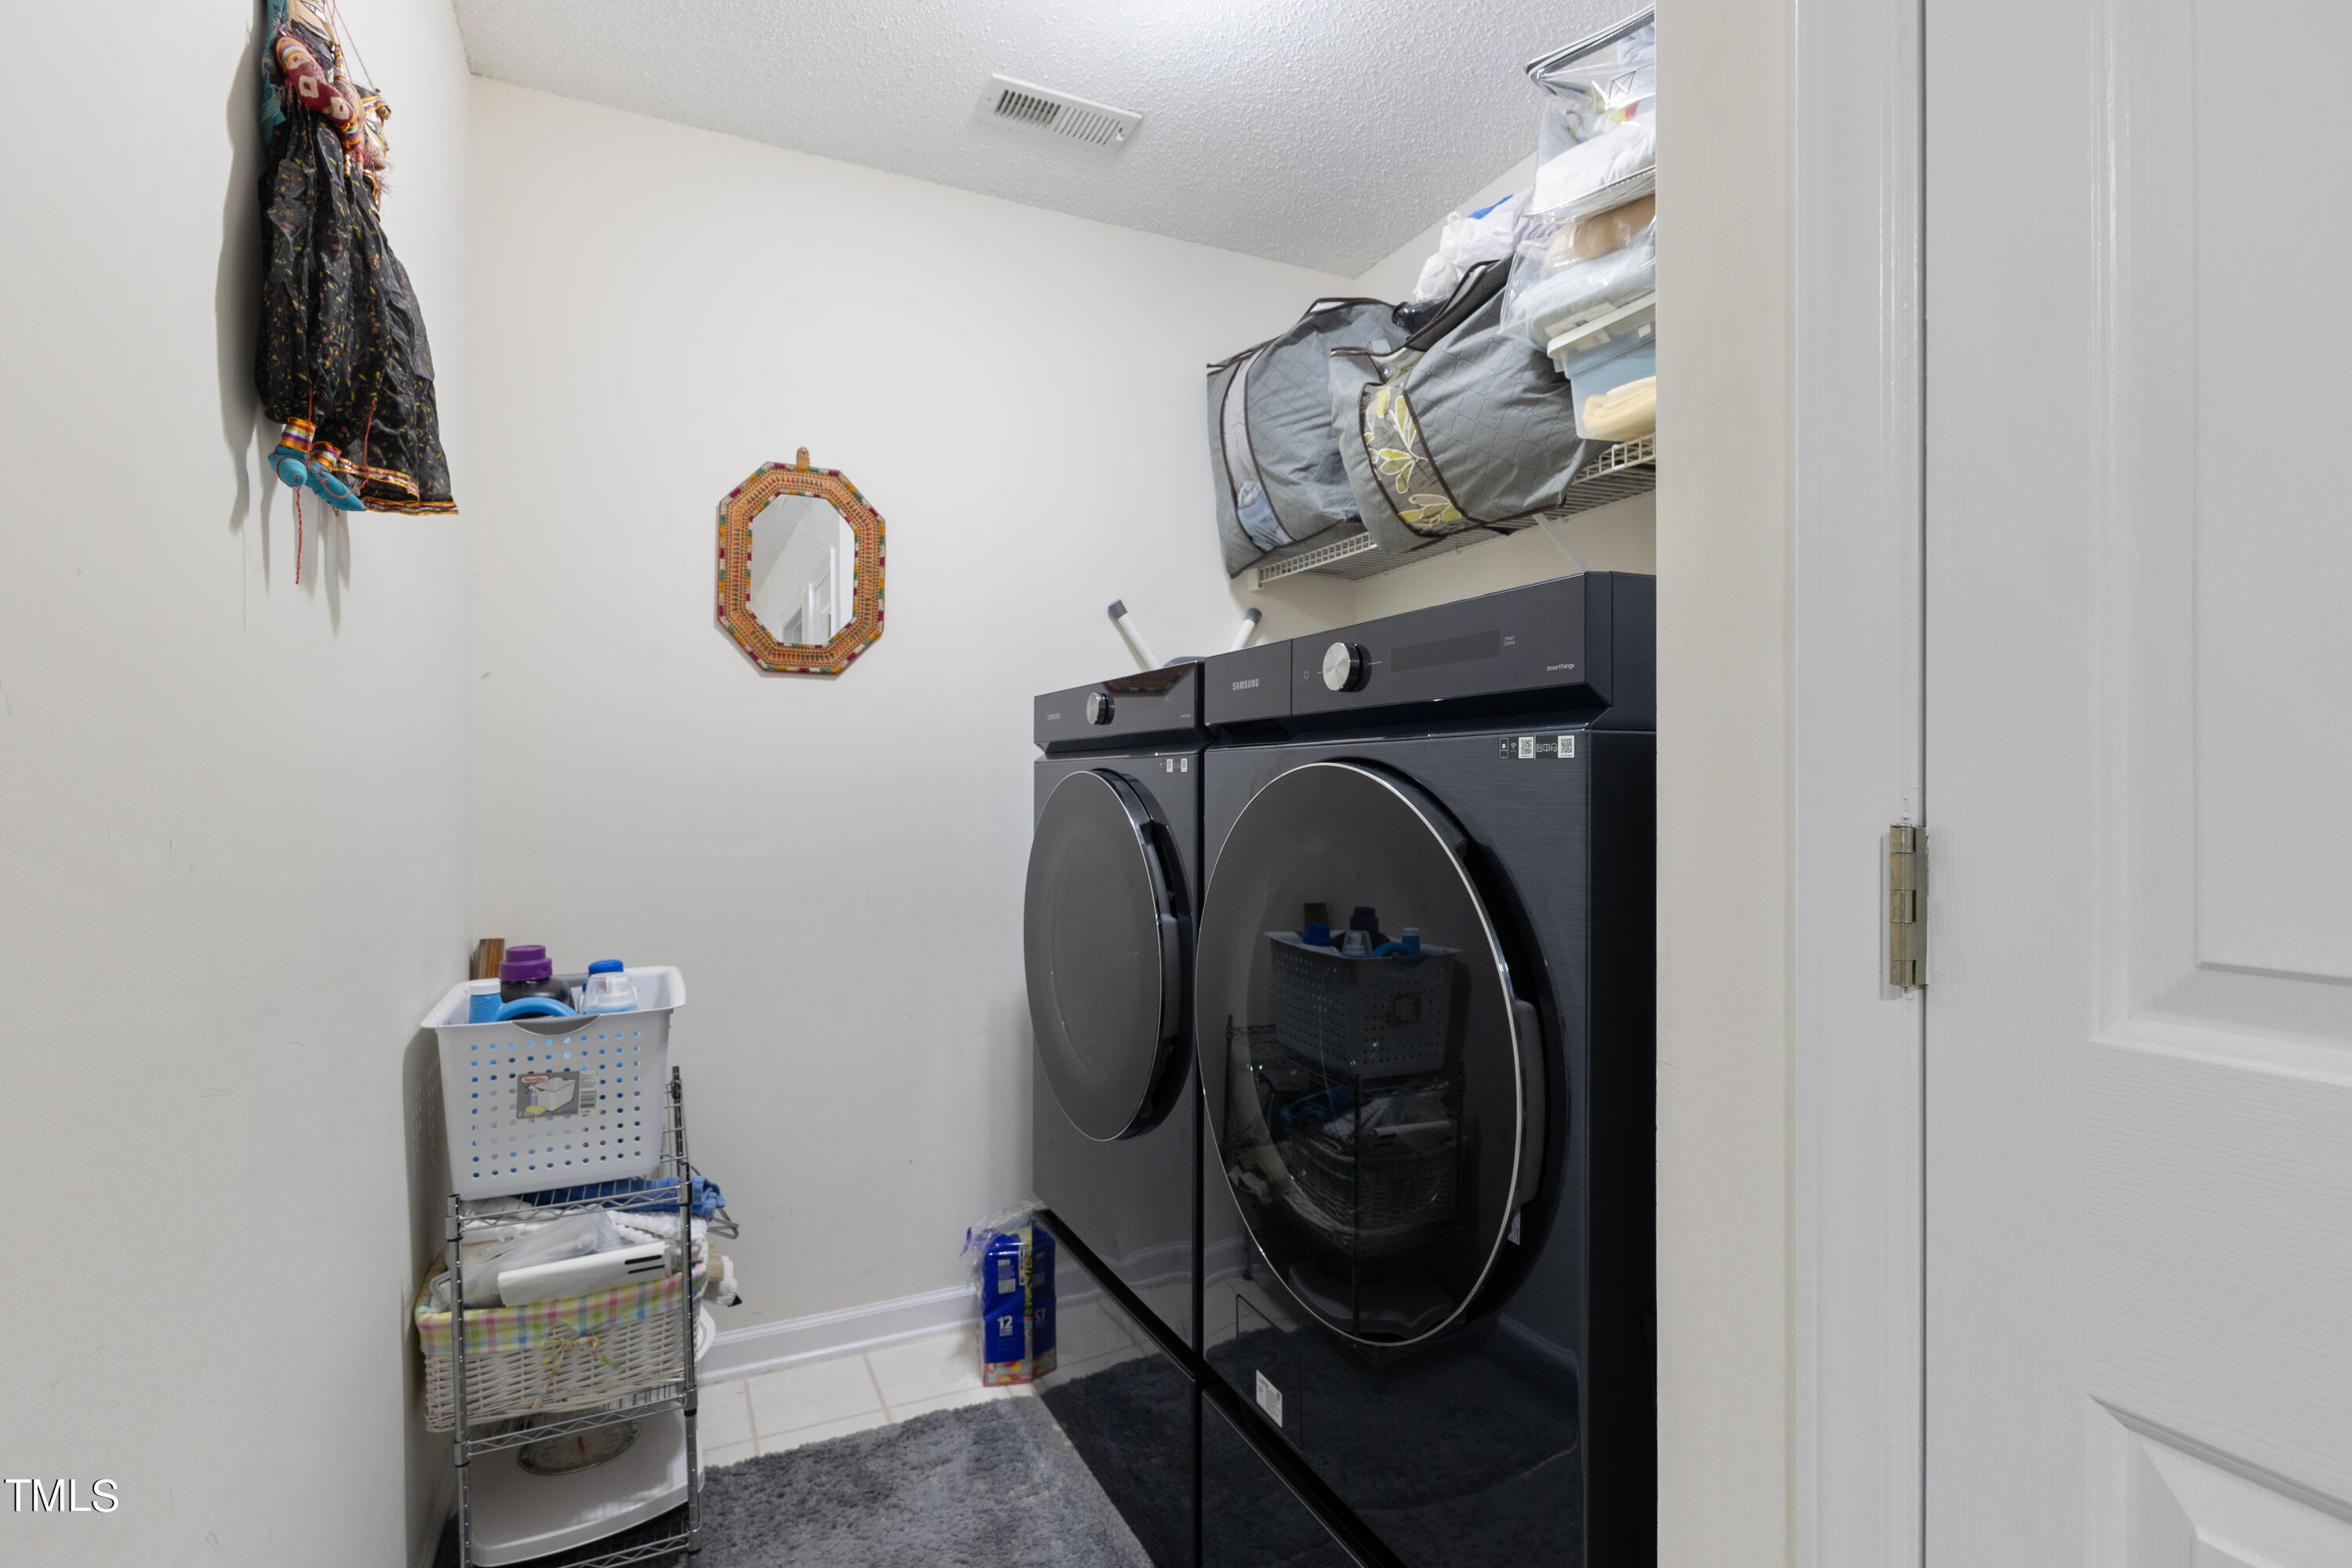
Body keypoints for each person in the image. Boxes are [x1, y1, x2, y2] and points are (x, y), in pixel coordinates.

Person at [254, 0, 456, 521]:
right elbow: (306, 83)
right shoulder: (290, 47)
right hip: (311, 180)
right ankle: (301, 433)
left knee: (372, 317)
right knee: (311, 290)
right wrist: (347, 126)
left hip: (341, 199)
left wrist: (354, 136)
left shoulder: (354, 165)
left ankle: (331, 447)